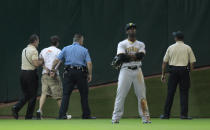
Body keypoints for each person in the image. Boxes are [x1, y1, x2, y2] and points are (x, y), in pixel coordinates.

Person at [111, 23, 151, 124]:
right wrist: (134, 56)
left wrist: (128, 56)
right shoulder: (122, 43)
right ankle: (116, 118)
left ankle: (145, 117)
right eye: (130, 29)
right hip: (125, 70)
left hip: (138, 70)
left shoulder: (141, 44)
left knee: (142, 95)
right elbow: (121, 56)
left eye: (133, 28)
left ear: (135, 31)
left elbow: (141, 56)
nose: (132, 30)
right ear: (126, 31)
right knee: (120, 94)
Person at [51, 33, 96, 119]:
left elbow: (56, 60)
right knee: (84, 94)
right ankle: (86, 115)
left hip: (69, 73)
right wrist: (90, 74)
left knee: (66, 94)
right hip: (81, 73)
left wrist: (53, 69)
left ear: (74, 40)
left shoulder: (65, 48)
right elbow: (89, 63)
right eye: (82, 40)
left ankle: (61, 115)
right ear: (80, 40)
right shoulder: (84, 50)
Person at [160, 31, 196, 119]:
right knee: (184, 93)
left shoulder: (170, 47)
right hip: (184, 71)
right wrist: (190, 72)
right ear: (182, 38)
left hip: (173, 71)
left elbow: (164, 63)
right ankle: (184, 115)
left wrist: (163, 75)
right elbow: (192, 63)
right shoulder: (188, 47)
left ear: (176, 38)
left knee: (170, 93)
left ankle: (166, 115)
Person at [36, 35, 71, 119]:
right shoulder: (58, 51)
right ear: (57, 43)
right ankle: (64, 114)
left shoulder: (44, 50)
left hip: (44, 74)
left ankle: (39, 110)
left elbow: (40, 61)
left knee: (44, 93)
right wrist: (53, 71)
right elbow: (59, 61)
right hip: (54, 76)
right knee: (58, 96)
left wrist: (45, 69)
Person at [12, 34, 43, 119]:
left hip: (22, 74)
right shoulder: (34, 50)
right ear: (35, 41)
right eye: (38, 41)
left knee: (26, 95)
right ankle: (28, 117)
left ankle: (16, 107)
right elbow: (36, 64)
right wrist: (42, 61)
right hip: (31, 75)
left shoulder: (24, 49)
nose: (38, 42)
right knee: (32, 96)